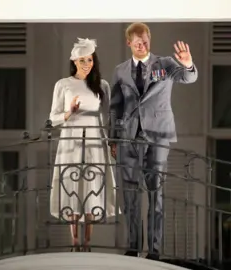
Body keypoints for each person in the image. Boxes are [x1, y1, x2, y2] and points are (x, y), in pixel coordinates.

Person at [108, 23, 198, 260]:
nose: (142, 46)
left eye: (145, 41)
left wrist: (188, 64)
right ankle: (132, 245)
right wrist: (113, 138)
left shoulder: (166, 64)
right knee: (129, 193)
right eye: (137, 42)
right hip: (128, 136)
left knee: (155, 193)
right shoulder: (120, 71)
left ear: (150, 39)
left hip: (157, 136)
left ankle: (155, 250)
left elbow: (188, 77)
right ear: (129, 43)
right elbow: (115, 107)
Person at [49, 38, 119, 252]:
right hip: (70, 137)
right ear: (75, 61)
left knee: (93, 183)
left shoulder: (102, 85)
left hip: (95, 137)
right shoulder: (63, 84)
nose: (87, 64)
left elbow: (110, 116)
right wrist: (69, 111)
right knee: (70, 183)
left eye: (90, 60)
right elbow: (53, 118)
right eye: (82, 60)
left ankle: (87, 243)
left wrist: (112, 141)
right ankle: (74, 242)